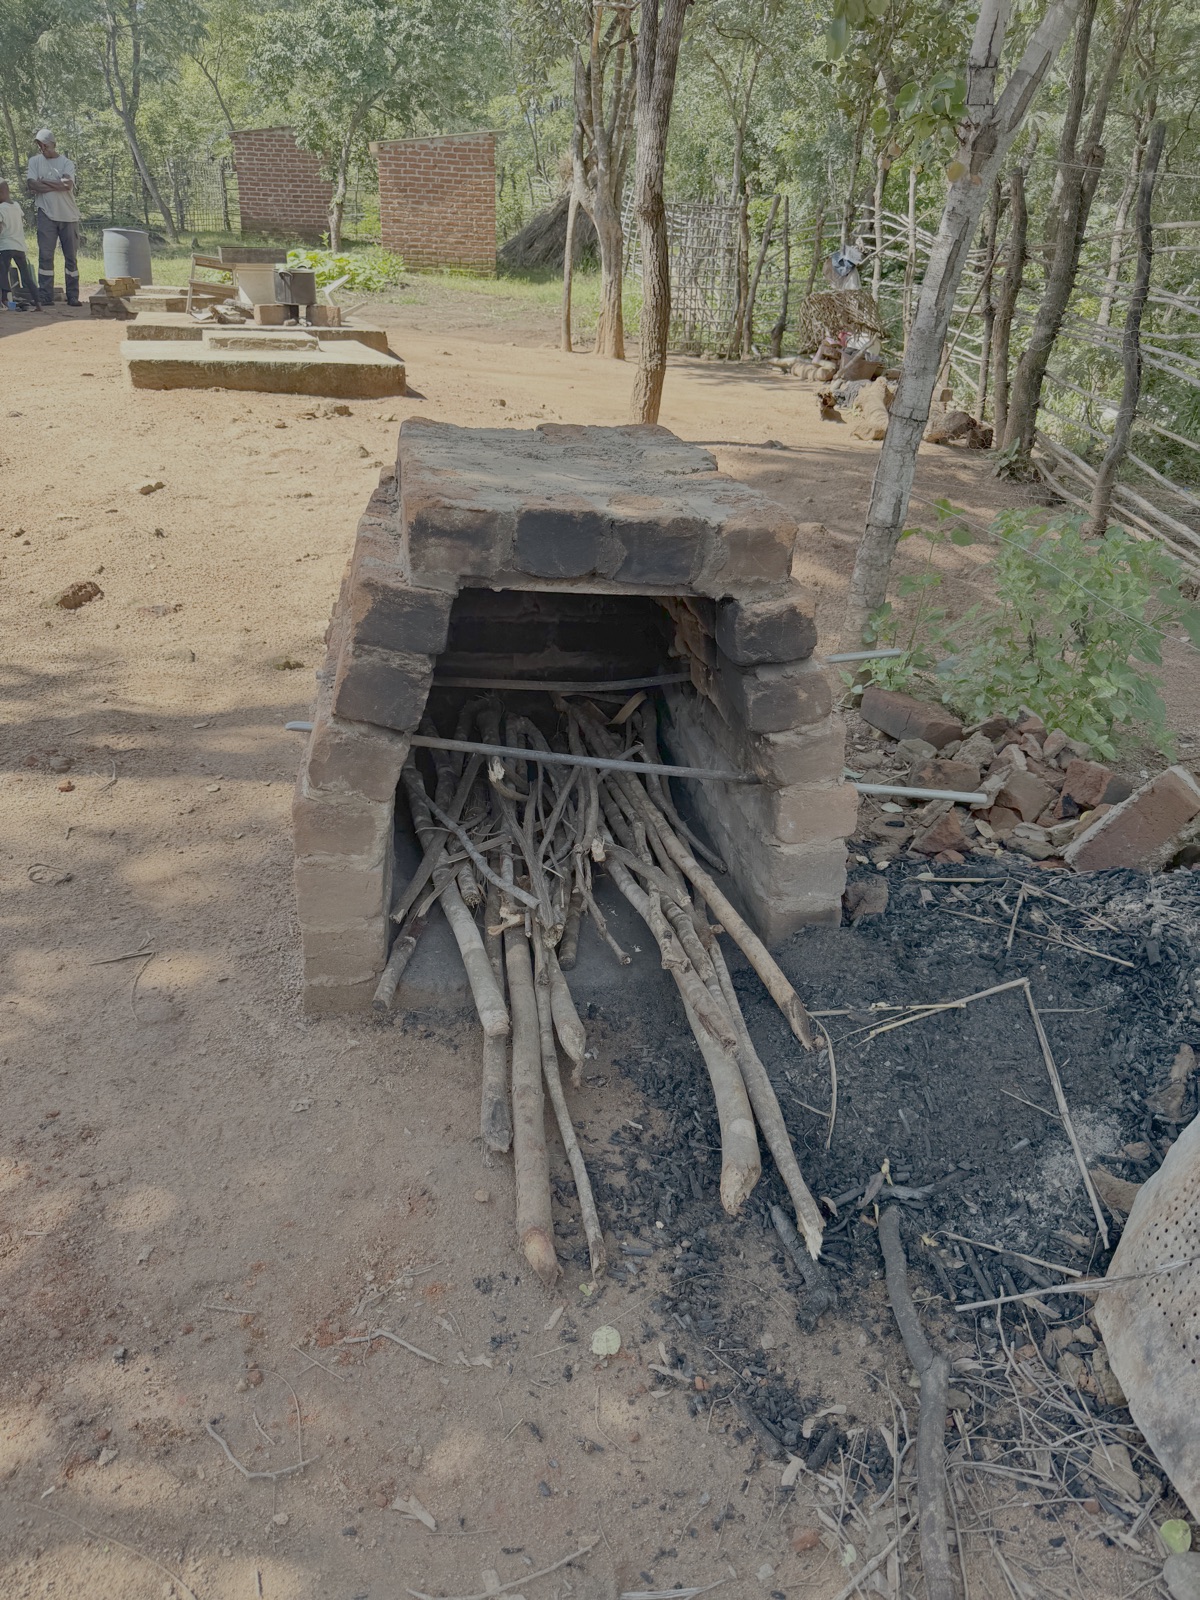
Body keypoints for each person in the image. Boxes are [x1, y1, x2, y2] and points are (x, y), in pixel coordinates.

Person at [25, 128, 81, 308]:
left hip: (68, 215)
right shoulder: (35, 161)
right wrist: (55, 184)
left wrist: (44, 184)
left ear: (53, 144)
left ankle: (73, 296)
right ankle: (46, 296)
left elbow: (67, 184)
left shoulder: (66, 163)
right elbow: (31, 184)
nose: (42, 148)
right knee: (45, 256)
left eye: (45, 144)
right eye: (40, 145)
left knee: (71, 257)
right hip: (46, 214)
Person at [0, 180, 40, 311]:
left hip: (6, 246)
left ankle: (5, 300)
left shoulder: (1, 209)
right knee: (26, 276)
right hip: (20, 246)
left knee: (3, 274)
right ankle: (38, 301)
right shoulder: (16, 206)